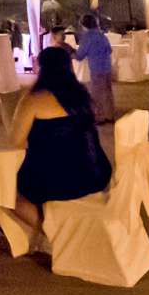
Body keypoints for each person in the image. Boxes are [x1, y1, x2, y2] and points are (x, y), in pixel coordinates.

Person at [8, 48, 113, 254]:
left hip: (59, 180)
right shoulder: (81, 95)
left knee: (3, 191)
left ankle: (51, 231)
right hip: (95, 172)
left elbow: (16, 140)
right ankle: (59, 227)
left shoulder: (34, 99)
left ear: (41, 68)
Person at [75, 13, 114, 95]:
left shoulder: (87, 37)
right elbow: (110, 50)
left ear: (83, 25)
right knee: (108, 93)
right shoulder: (102, 35)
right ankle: (109, 108)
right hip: (107, 67)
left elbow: (79, 56)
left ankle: (100, 108)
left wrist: (70, 52)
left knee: (98, 94)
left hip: (96, 68)